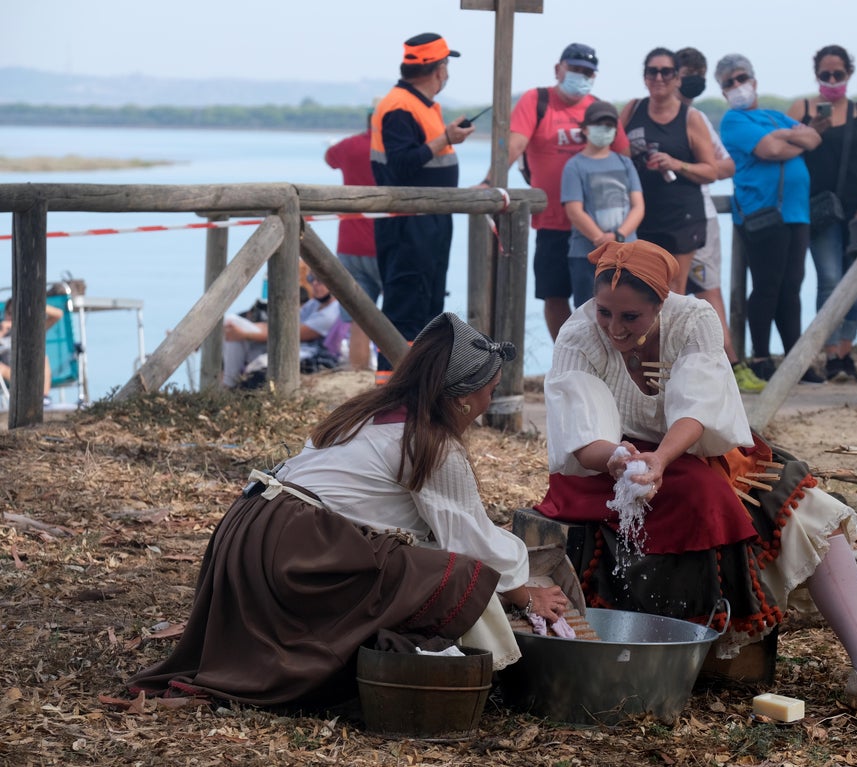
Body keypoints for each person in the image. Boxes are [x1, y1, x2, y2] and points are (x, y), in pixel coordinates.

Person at [535, 240, 857, 728]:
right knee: (703, 494)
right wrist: (619, 458)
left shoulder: (695, 319)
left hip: (690, 447)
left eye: (630, 317)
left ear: (661, 303)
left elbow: (697, 407)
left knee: (815, 514)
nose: (614, 328)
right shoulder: (578, 333)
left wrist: (661, 458)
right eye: (605, 313)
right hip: (602, 466)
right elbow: (580, 431)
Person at [127, 312, 567, 706]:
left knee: (411, 565)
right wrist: (523, 589)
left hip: (248, 526)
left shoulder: (366, 411)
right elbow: (468, 538)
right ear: (461, 399)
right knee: (452, 576)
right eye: (490, 391)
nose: (490, 403)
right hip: (294, 546)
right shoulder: (432, 444)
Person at [484, 43, 629, 341]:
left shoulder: (598, 106)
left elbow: (624, 157)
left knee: (601, 299)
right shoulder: (536, 101)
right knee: (554, 295)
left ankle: (603, 360)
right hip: (553, 221)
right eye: (575, 69)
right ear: (558, 69)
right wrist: (489, 180)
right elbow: (515, 145)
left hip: (597, 229)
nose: (581, 76)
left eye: (588, 72)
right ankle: (568, 356)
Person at [371, 33, 474, 380]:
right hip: (408, 224)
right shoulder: (399, 106)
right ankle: (391, 397)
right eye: (446, 65)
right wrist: (445, 138)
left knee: (428, 310)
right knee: (406, 310)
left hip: (429, 221)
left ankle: (416, 393)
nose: (447, 74)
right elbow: (401, 164)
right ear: (439, 69)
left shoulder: (424, 105)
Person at [716, 53, 825, 385]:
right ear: (723, 92)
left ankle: (794, 360)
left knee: (792, 286)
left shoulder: (775, 116)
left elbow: (814, 138)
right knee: (767, 285)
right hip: (761, 212)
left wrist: (786, 139)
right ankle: (761, 357)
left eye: (740, 78)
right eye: (728, 83)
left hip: (796, 212)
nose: (737, 86)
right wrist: (792, 140)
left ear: (753, 81)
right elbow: (769, 151)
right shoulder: (733, 121)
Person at [786, 45, 857, 382]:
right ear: (816, 75)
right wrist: (814, 130)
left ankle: (845, 352)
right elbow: (787, 150)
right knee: (829, 278)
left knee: (855, 280)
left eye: (837, 74)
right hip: (819, 210)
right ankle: (828, 352)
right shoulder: (801, 108)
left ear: (848, 74)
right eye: (824, 75)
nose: (831, 80)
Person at [676, 46, 765, 393]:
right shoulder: (647, 116)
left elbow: (725, 165)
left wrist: (690, 168)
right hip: (662, 219)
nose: (693, 79)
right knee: (670, 295)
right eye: (687, 72)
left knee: (710, 293)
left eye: (701, 72)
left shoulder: (695, 119)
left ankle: (730, 364)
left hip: (702, 216)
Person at [621, 47, 718, 297]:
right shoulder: (633, 109)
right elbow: (614, 154)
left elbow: (711, 171)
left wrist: (677, 164)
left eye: (666, 72)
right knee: (640, 291)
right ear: (644, 77)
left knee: (673, 292)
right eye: (652, 72)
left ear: (677, 78)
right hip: (642, 216)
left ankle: (671, 338)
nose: (659, 78)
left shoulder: (691, 118)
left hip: (681, 218)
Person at [560, 100, 645, 308]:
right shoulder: (574, 166)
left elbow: (638, 205)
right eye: (598, 124)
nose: (604, 130)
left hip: (626, 252)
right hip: (586, 255)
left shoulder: (625, 163)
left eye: (609, 125)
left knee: (626, 309)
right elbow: (574, 210)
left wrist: (618, 236)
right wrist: (600, 239)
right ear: (585, 129)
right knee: (589, 313)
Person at [325, 115, 380, 372]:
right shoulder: (395, 149)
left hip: (350, 242)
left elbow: (329, 157)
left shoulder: (350, 146)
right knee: (397, 315)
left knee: (359, 317)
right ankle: (393, 375)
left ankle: (360, 375)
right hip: (387, 243)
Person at [222, 272, 342, 388]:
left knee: (236, 332)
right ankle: (229, 381)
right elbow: (280, 327)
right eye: (311, 279)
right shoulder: (314, 304)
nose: (314, 284)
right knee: (230, 322)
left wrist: (244, 335)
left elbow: (290, 334)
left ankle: (229, 383)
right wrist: (243, 332)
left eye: (320, 281)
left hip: (303, 353)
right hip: (287, 345)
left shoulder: (330, 314)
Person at [0, 295, 63, 401]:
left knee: (43, 358)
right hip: (9, 373)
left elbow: (58, 314)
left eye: (16, 314)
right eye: (10, 314)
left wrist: (33, 302)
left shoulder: (30, 331)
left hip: (30, 371)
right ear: (5, 314)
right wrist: (2, 332)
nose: (12, 318)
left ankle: (44, 397)